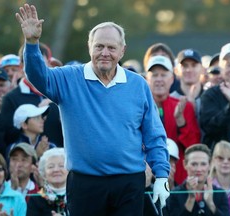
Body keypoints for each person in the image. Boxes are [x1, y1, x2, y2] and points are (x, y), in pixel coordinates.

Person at [16, 4, 170, 216]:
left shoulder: (138, 84)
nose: (104, 53)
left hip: (129, 184)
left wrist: (161, 174)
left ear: (122, 51)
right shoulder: (68, 78)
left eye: (111, 47)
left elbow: (154, 133)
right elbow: (38, 76)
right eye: (99, 47)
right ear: (90, 47)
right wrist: (32, 44)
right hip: (85, 184)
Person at [145, 55, 200, 185]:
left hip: (178, 178)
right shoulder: (139, 107)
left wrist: (181, 122)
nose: (159, 79)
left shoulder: (184, 106)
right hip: (146, 176)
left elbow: (193, 146)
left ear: (172, 79)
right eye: (154, 75)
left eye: (163, 75)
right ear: (147, 79)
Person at [199, 42, 230, 181]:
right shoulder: (210, 96)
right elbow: (209, 128)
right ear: (221, 69)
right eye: (228, 65)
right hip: (220, 173)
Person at [168, 144, 230, 216]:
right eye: (194, 164)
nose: (199, 169)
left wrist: (210, 204)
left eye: (203, 164)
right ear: (185, 164)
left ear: (210, 165)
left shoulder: (220, 194)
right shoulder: (174, 194)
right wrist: (191, 199)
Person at [27, 148, 68, 216]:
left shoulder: (78, 196)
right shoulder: (36, 199)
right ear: (44, 173)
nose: (56, 170)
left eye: (61, 166)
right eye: (50, 167)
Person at [171, 48, 204, 120]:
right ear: (176, 70)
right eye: (185, 66)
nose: (189, 70)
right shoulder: (171, 99)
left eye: (194, 65)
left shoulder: (211, 97)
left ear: (202, 69)